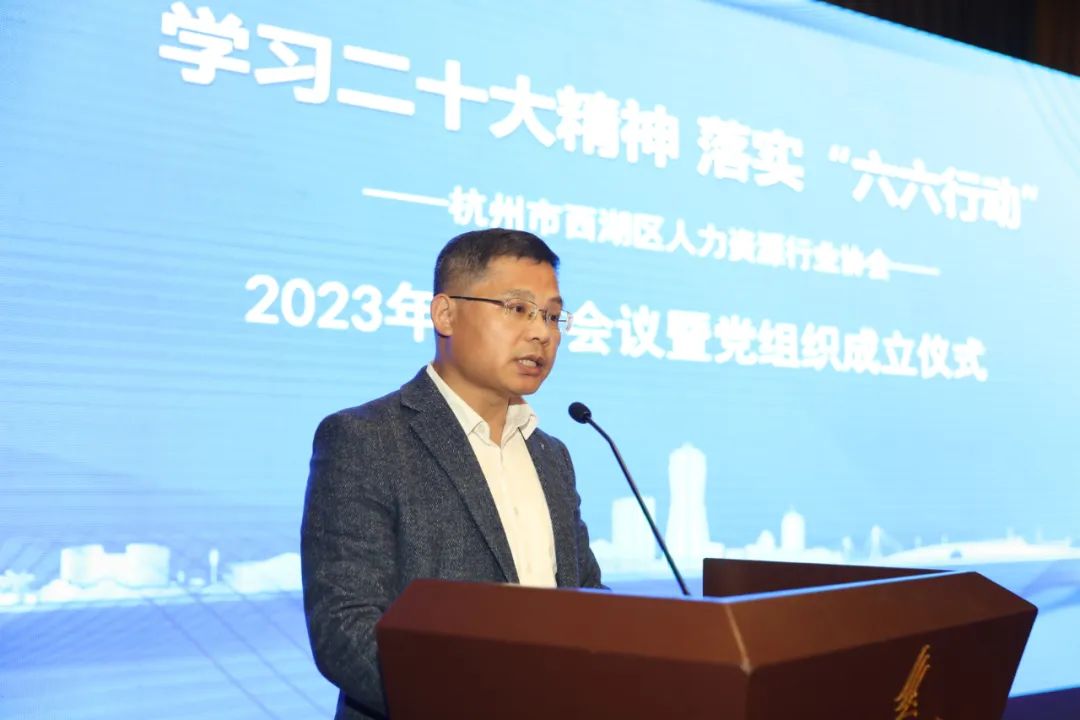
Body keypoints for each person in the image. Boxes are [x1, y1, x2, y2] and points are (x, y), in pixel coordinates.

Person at [300, 228, 605, 720]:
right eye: (517, 308)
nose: (542, 333)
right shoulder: (366, 438)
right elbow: (346, 631)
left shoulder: (552, 456)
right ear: (445, 314)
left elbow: (585, 598)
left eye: (552, 316)